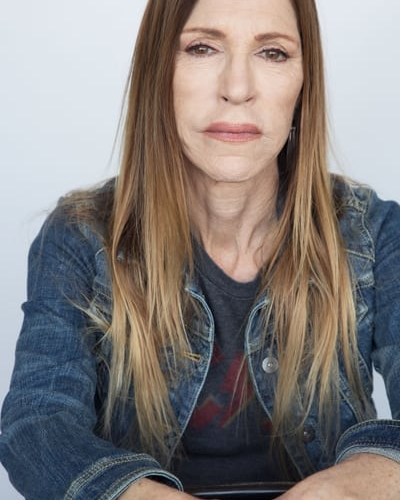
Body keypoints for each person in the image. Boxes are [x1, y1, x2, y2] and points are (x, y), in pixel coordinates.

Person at [1, 0, 400, 499]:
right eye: (202, 48)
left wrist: (356, 484)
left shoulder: (374, 235)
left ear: (304, 83)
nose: (237, 88)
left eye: (273, 52)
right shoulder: (81, 237)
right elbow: (37, 424)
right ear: (159, 72)